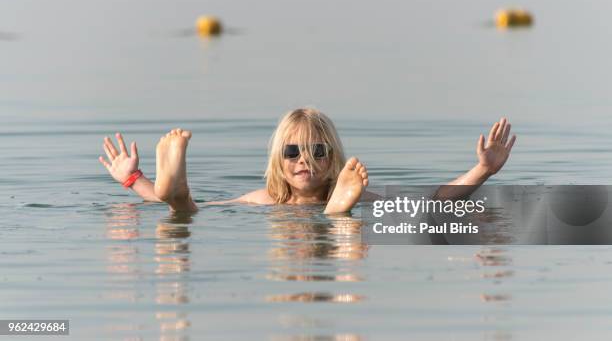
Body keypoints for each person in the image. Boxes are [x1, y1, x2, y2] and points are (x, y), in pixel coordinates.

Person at [98, 108, 516, 213]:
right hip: (330, 210)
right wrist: (134, 179)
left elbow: (434, 200)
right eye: (292, 151)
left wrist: (484, 168)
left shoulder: (267, 203)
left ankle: (336, 215)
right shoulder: (265, 199)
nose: (305, 161)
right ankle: (179, 185)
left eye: (317, 152)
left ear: (331, 159)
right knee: (184, 207)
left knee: (185, 215)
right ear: (279, 161)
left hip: (336, 205)